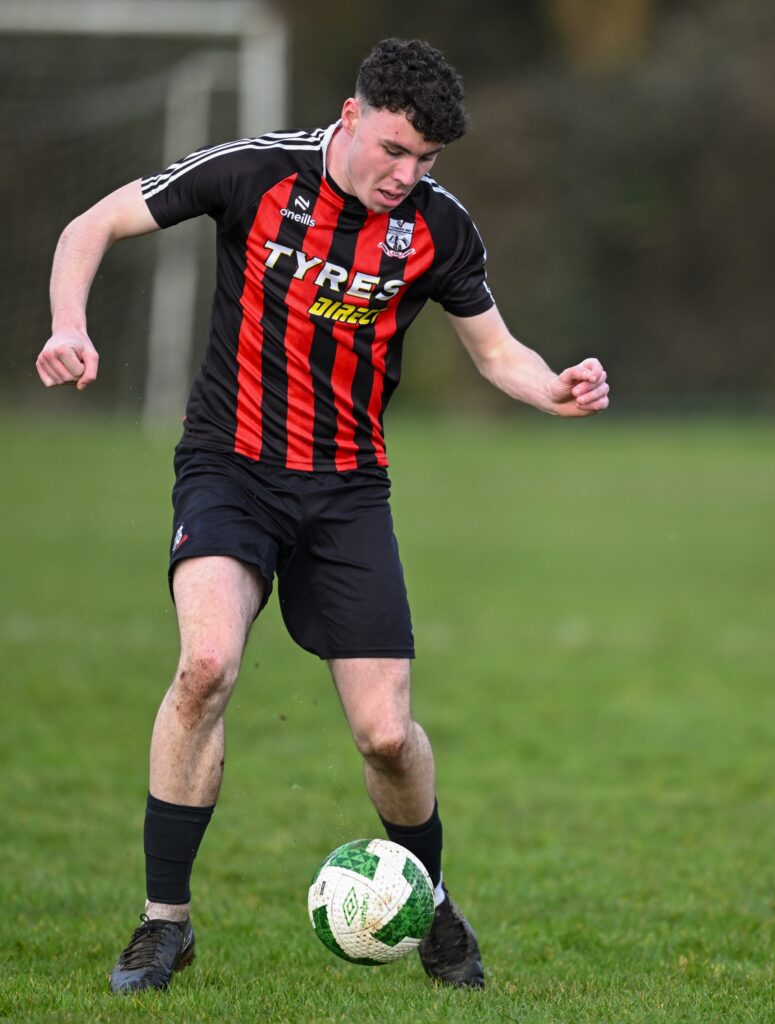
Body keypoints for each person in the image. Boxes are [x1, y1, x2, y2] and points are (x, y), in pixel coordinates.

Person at [36, 38, 609, 994]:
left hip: (347, 492)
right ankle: (163, 924)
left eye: (425, 161)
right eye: (393, 150)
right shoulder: (253, 174)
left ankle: (430, 903)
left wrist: (553, 387)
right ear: (351, 116)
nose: (405, 175)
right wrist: (67, 323)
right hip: (230, 469)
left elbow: (495, 350)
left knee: (385, 735)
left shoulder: (437, 227)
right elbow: (88, 226)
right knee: (206, 666)